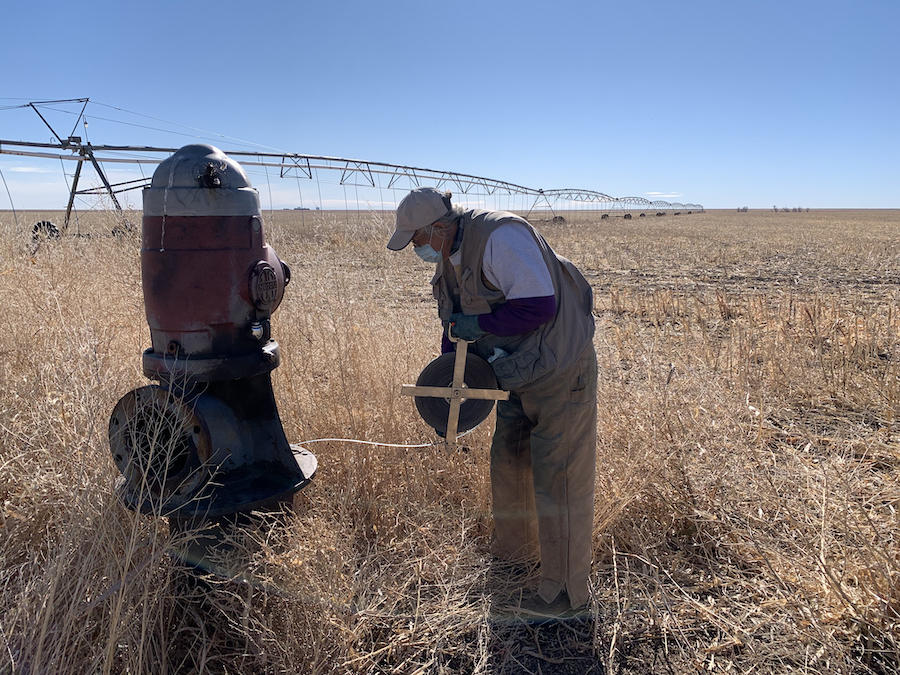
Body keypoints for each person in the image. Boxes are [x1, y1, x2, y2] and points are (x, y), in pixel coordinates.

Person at [387, 187, 597, 618]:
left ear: (440, 228)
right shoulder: (449, 256)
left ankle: (565, 594)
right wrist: (452, 383)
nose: (419, 250)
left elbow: (539, 306)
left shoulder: (502, 237)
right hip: (513, 373)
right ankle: (515, 564)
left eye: (419, 240)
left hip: (558, 369)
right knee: (508, 462)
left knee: (558, 476)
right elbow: (454, 326)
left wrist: (478, 323)